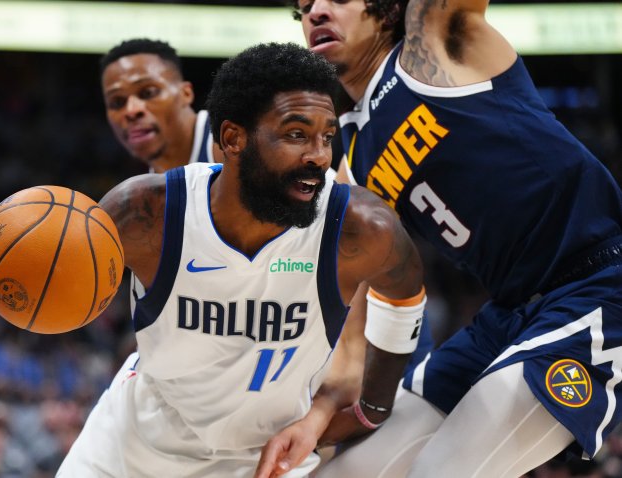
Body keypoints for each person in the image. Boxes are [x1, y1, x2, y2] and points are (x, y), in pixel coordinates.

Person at [0, 42, 425, 476]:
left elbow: (405, 292)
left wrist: (373, 408)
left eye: (327, 137)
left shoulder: (359, 227)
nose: (319, 157)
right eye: (295, 135)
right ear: (232, 138)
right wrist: (2, 271)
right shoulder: (146, 214)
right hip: (132, 447)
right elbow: (57, 256)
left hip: (264, 456)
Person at [256, 1, 622, 477]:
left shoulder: (436, 40)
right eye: (304, 7)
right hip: (506, 316)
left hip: (598, 285)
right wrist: (324, 409)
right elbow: (359, 304)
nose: (316, 12)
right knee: (343, 473)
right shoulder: (352, 157)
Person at [100, 38, 222, 174]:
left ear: (186, 93)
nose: (132, 110)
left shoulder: (230, 143)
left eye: (148, 93)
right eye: (117, 102)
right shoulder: (148, 188)